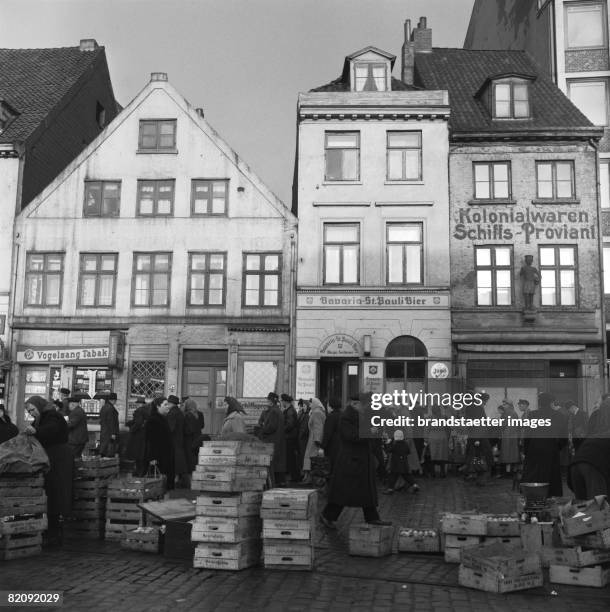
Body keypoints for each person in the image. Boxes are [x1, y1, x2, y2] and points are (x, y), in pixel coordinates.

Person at [320, 393, 391, 528]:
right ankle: (327, 515)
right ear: (354, 404)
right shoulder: (346, 417)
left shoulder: (360, 415)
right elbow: (350, 436)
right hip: (350, 461)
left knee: (365, 491)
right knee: (344, 491)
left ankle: (372, 517)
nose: (366, 407)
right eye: (364, 405)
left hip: (361, 459)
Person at [24, 395, 73, 544]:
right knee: (50, 493)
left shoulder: (52, 416)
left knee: (57, 492)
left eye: (32, 409)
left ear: (39, 406)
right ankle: (51, 529)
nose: (31, 413)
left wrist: (35, 432)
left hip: (59, 459)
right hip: (49, 459)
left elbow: (49, 430)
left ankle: (55, 532)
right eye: (29, 411)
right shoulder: (41, 418)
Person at [522, 392, 568, 497]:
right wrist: (558, 447)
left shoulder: (533, 414)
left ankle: (535, 496)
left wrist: (526, 450)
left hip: (534, 448)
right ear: (551, 402)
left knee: (535, 475)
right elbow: (563, 437)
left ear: (540, 403)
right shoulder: (559, 415)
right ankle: (550, 497)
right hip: (551, 448)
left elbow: (527, 435)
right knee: (551, 475)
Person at [568, 398, 610, 499]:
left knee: (584, 509)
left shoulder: (599, 426)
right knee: (598, 508)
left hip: (577, 465)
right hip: (593, 468)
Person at [145, 397, 175, 489]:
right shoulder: (153, 420)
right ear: (158, 406)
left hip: (166, 457)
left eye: (168, 404)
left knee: (164, 485)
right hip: (159, 458)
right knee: (158, 485)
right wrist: (152, 457)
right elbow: (151, 441)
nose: (168, 407)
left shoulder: (163, 419)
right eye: (165, 405)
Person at [257, 392, 286, 486]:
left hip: (272, 440)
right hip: (279, 439)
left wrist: (262, 428)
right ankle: (279, 482)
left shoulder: (273, 411)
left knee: (271, 464)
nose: (267, 401)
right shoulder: (279, 411)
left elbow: (271, 427)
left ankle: (272, 484)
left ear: (271, 401)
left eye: (268, 400)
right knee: (278, 462)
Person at [383, 429, 420, 494]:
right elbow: (408, 451)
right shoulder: (405, 444)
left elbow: (389, 450)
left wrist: (387, 443)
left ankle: (390, 489)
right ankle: (415, 485)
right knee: (407, 476)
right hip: (404, 464)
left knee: (392, 477)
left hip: (395, 465)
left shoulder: (395, 445)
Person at [165, 395, 189, 488]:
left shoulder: (172, 413)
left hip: (173, 440)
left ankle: (175, 480)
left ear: (171, 404)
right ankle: (179, 479)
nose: (167, 405)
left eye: (168, 403)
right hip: (179, 439)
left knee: (175, 461)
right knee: (179, 460)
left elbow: (170, 428)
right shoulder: (179, 412)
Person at [302, 397, 326, 484]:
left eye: (311, 404)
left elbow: (318, 427)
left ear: (315, 404)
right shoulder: (318, 412)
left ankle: (310, 478)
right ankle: (310, 478)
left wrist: (317, 440)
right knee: (311, 458)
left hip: (314, 439)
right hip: (313, 437)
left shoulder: (316, 413)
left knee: (311, 458)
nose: (310, 405)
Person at [126, 399, 150, 476]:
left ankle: (139, 472)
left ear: (140, 404)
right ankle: (143, 471)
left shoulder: (139, 411)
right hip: (145, 435)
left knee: (138, 454)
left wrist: (132, 430)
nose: (137, 405)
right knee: (143, 454)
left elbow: (138, 422)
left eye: (137, 403)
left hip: (138, 436)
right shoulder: (148, 411)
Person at [497, 400, 520, 476]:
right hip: (513, 435)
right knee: (512, 454)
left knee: (507, 454)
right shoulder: (514, 412)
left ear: (509, 405)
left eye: (505, 404)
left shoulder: (507, 413)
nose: (503, 406)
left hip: (507, 435)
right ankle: (512, 471)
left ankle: (507, 472)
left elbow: (502, 424)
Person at [426, 405, 450, 478]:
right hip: (442, 437)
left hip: (432, 437)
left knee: (433, 456)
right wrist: (447, 438)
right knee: (442, 456)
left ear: (432, 410)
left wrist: (426, 439)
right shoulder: (444, 417)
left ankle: (433, 473)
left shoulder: (429, 418)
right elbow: (448, 429)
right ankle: (442, 472)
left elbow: (426, 429)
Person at [281, 394, 300, 482]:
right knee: (290, 458)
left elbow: (290, 425)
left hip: (290, 438)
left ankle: (295, 477)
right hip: (290, 437)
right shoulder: (289, 410)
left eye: (282, 401)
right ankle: (294, 476)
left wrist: (281, 430)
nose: (281, 402)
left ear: (285, 401)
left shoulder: (290, 411)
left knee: (291, 458)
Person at [321, 396, 342, 474]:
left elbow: (327, 433)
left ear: (330, 406)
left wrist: (322, 446)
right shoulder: (342, 415)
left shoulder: (331, 417)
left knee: (331, 468)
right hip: (341, 446)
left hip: (332, 446)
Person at [183, 398, 203, 472]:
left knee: (189, 458)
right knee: (195, 456)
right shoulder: (199, 414)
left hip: (189, 440)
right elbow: (202, 425)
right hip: (198, 437)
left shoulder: (187, 415)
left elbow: (188, 430)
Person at [99, 393, 120, 457]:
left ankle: (103, 461)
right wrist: (113, 433)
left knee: (104, 448)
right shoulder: (110, 408)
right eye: (115, 400)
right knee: (109, 450)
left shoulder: (104, 407)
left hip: (104, 431)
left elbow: (101, 420)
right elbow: (111, 421)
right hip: (109, 432)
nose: (116, 402)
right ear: (113, 400)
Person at [297, 399, 310, 474]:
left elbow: (304, 428)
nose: (303, 407)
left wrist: (300, 435)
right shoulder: (303, 414)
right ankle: (303, 473)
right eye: (303, 406)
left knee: (303, 456)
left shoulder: (307, 415)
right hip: (301, 438)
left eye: (304, 406)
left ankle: (304, 473)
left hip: (304, 439)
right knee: (301, 456)